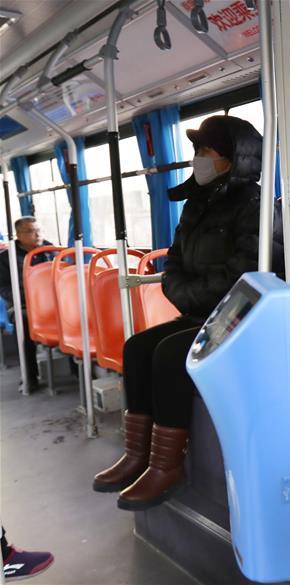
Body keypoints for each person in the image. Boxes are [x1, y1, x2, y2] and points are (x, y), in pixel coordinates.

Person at [92, 115, 262, 510]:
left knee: (170, 354)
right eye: (197, 152)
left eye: (207, 152)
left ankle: (167, 466)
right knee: (136, 347)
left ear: (233, 159)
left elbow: (244, 272)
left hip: (235, 321)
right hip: (198, 315)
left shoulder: (253, 205)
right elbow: (174, 262)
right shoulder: (196, 205)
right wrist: (182, 293)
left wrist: (192, 297)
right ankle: (138, 455)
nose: (198, 160)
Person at [0, 217, 55, 393]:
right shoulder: (6, 258)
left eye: (38, 229)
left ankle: (79, 372)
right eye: (31, 231)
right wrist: (28, 296)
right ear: (19, 235)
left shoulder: (51, 250)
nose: (37, 234)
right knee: (24, 323)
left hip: (53, 303)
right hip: (22, 304)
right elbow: (3, 287)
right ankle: (30, 377)